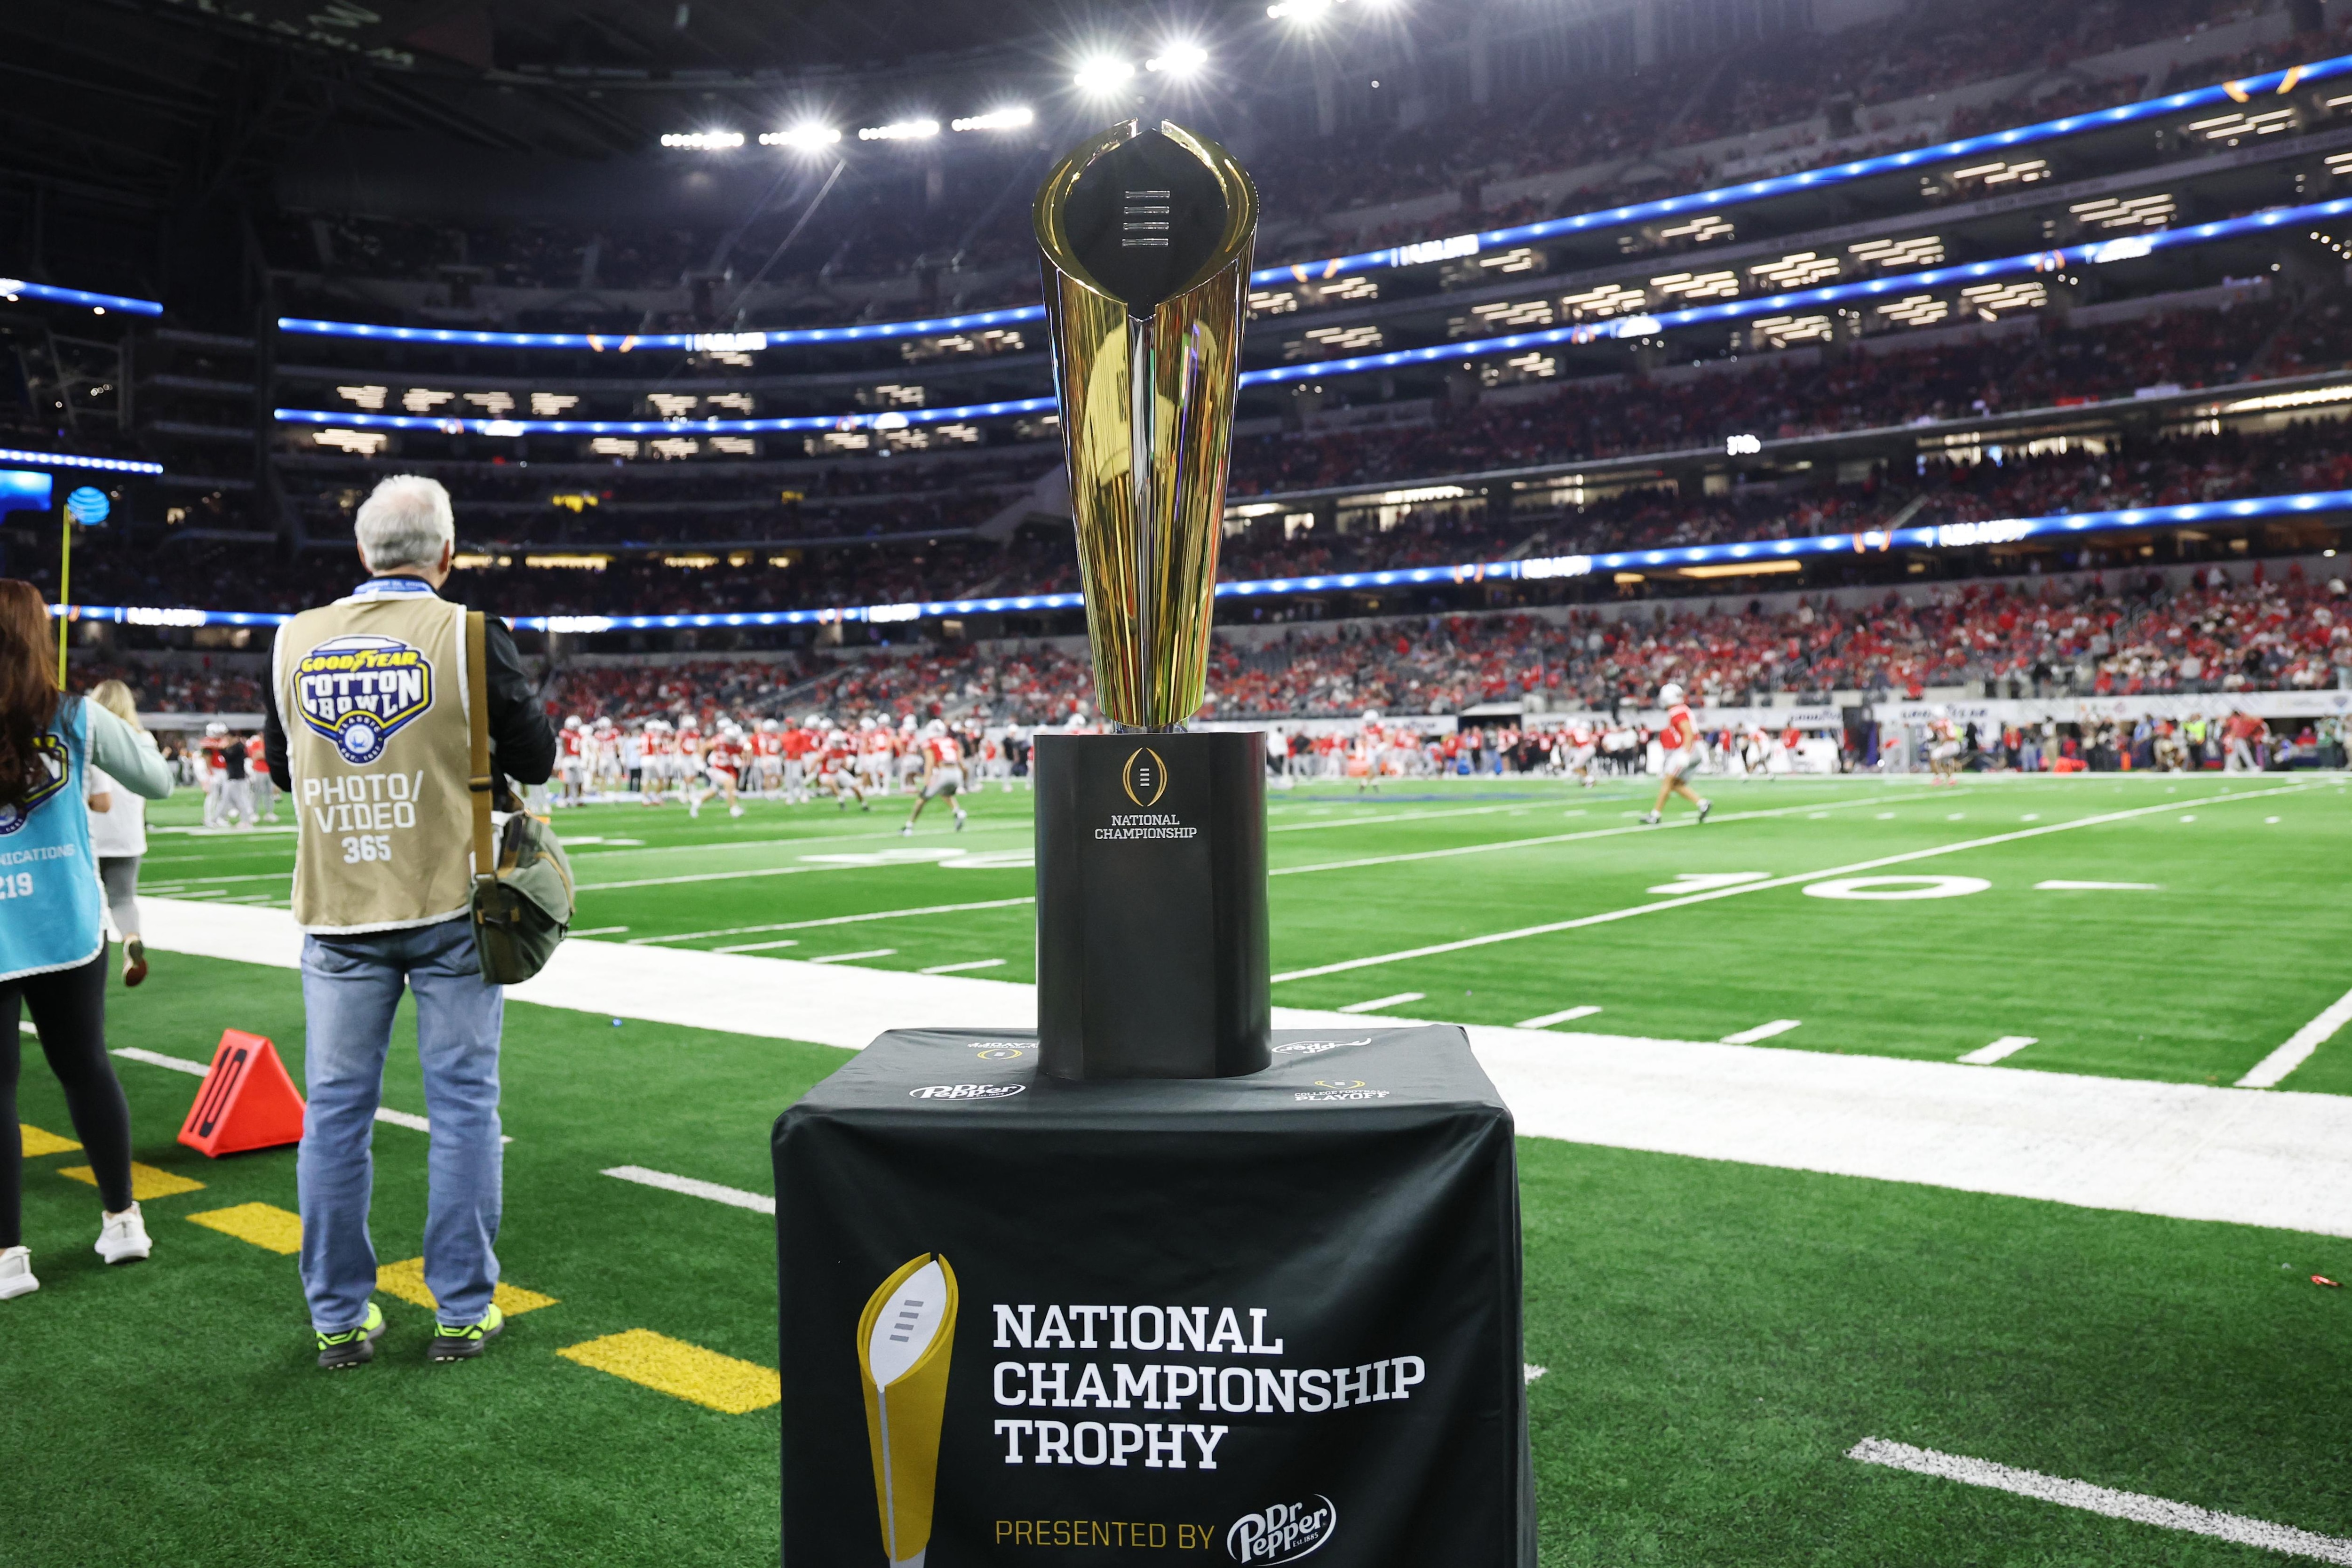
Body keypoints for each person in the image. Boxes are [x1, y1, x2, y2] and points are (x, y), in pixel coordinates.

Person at [261, 475, 555, 1369]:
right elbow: (538, 755)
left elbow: (281, 769)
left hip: (339, 904)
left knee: (335, 1114)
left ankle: (339, 1319)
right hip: (450, 901)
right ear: (447, 553)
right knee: (464, 1106)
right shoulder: (471, 632)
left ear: (362, 552)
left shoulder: (291, 639)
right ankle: (464, 1309)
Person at [0, 583, 175, 1301]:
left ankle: (9, 1258)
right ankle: (123, 1220)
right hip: (69, 924)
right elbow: (160, 781)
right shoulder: (76, 715)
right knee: (86, 1068)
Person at [83, 679, 159, 987]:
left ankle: (86, 966)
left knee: (87, 904)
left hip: (89, 831)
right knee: (123, 899)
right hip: (128, 832)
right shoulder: (144, 740)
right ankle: (131, 938)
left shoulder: (89, 738)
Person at [1640, 682, 1712, 826]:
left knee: (1667, 781)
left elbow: (1688, 733)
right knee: (1675, 784)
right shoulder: (1682, 709)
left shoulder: (1677, 711)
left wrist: (1685, 753)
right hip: (1695, 749)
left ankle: (1655, 815)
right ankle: (1702, 803)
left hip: (1689, 749)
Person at [901, 719, 969, 835]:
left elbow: (930, 763)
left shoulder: (930, 743)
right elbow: (962, 764)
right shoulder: (952, 741)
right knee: (945, 794)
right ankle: (958, 811)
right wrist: (964, 782)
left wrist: (927, 779)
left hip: (943, 772)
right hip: (956, 773)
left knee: (921, 800)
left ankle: (909, 827)